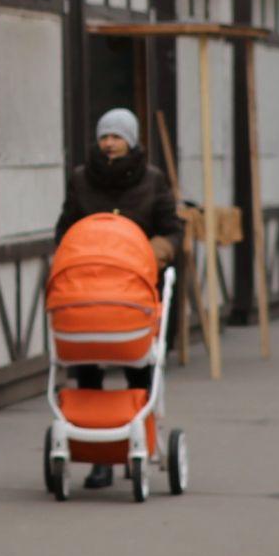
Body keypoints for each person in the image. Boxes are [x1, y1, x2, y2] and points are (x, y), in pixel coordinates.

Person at [55, 108, 182, 488]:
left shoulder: (153, 180)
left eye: (117, 136)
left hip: (135, 286)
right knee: (86, 367)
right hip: (90, 287)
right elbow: (66, 228)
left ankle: (134, 442)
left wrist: (147, 256)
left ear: (132, 140)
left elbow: (172, 231)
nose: (109, 143)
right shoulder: (81, 180)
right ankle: (98, 455)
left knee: (138, 366)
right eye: (104, 136)